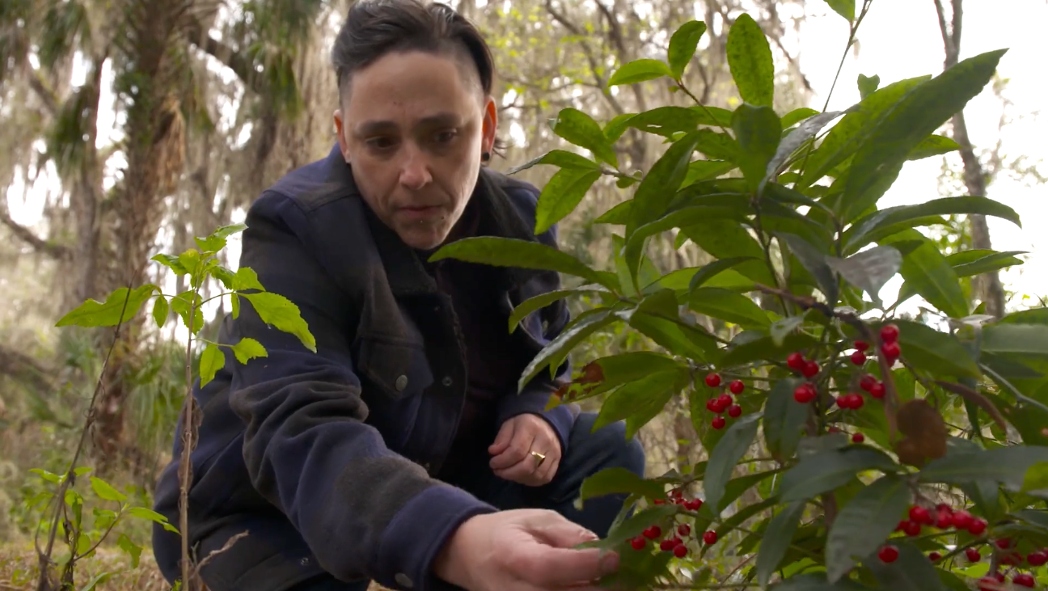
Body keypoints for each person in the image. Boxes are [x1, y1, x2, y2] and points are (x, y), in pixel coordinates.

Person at [150, 1, 647, 590]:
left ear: (486, 128)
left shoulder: (522, 219)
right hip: (264, 511)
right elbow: (300, 431)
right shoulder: (293, 228)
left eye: (442, 136)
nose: (414, 174)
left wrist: (538, 412)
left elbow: (551, 362)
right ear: (345, 138)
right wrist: (453, 536)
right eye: (382, 143)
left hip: (441, 478)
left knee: (605, 451)